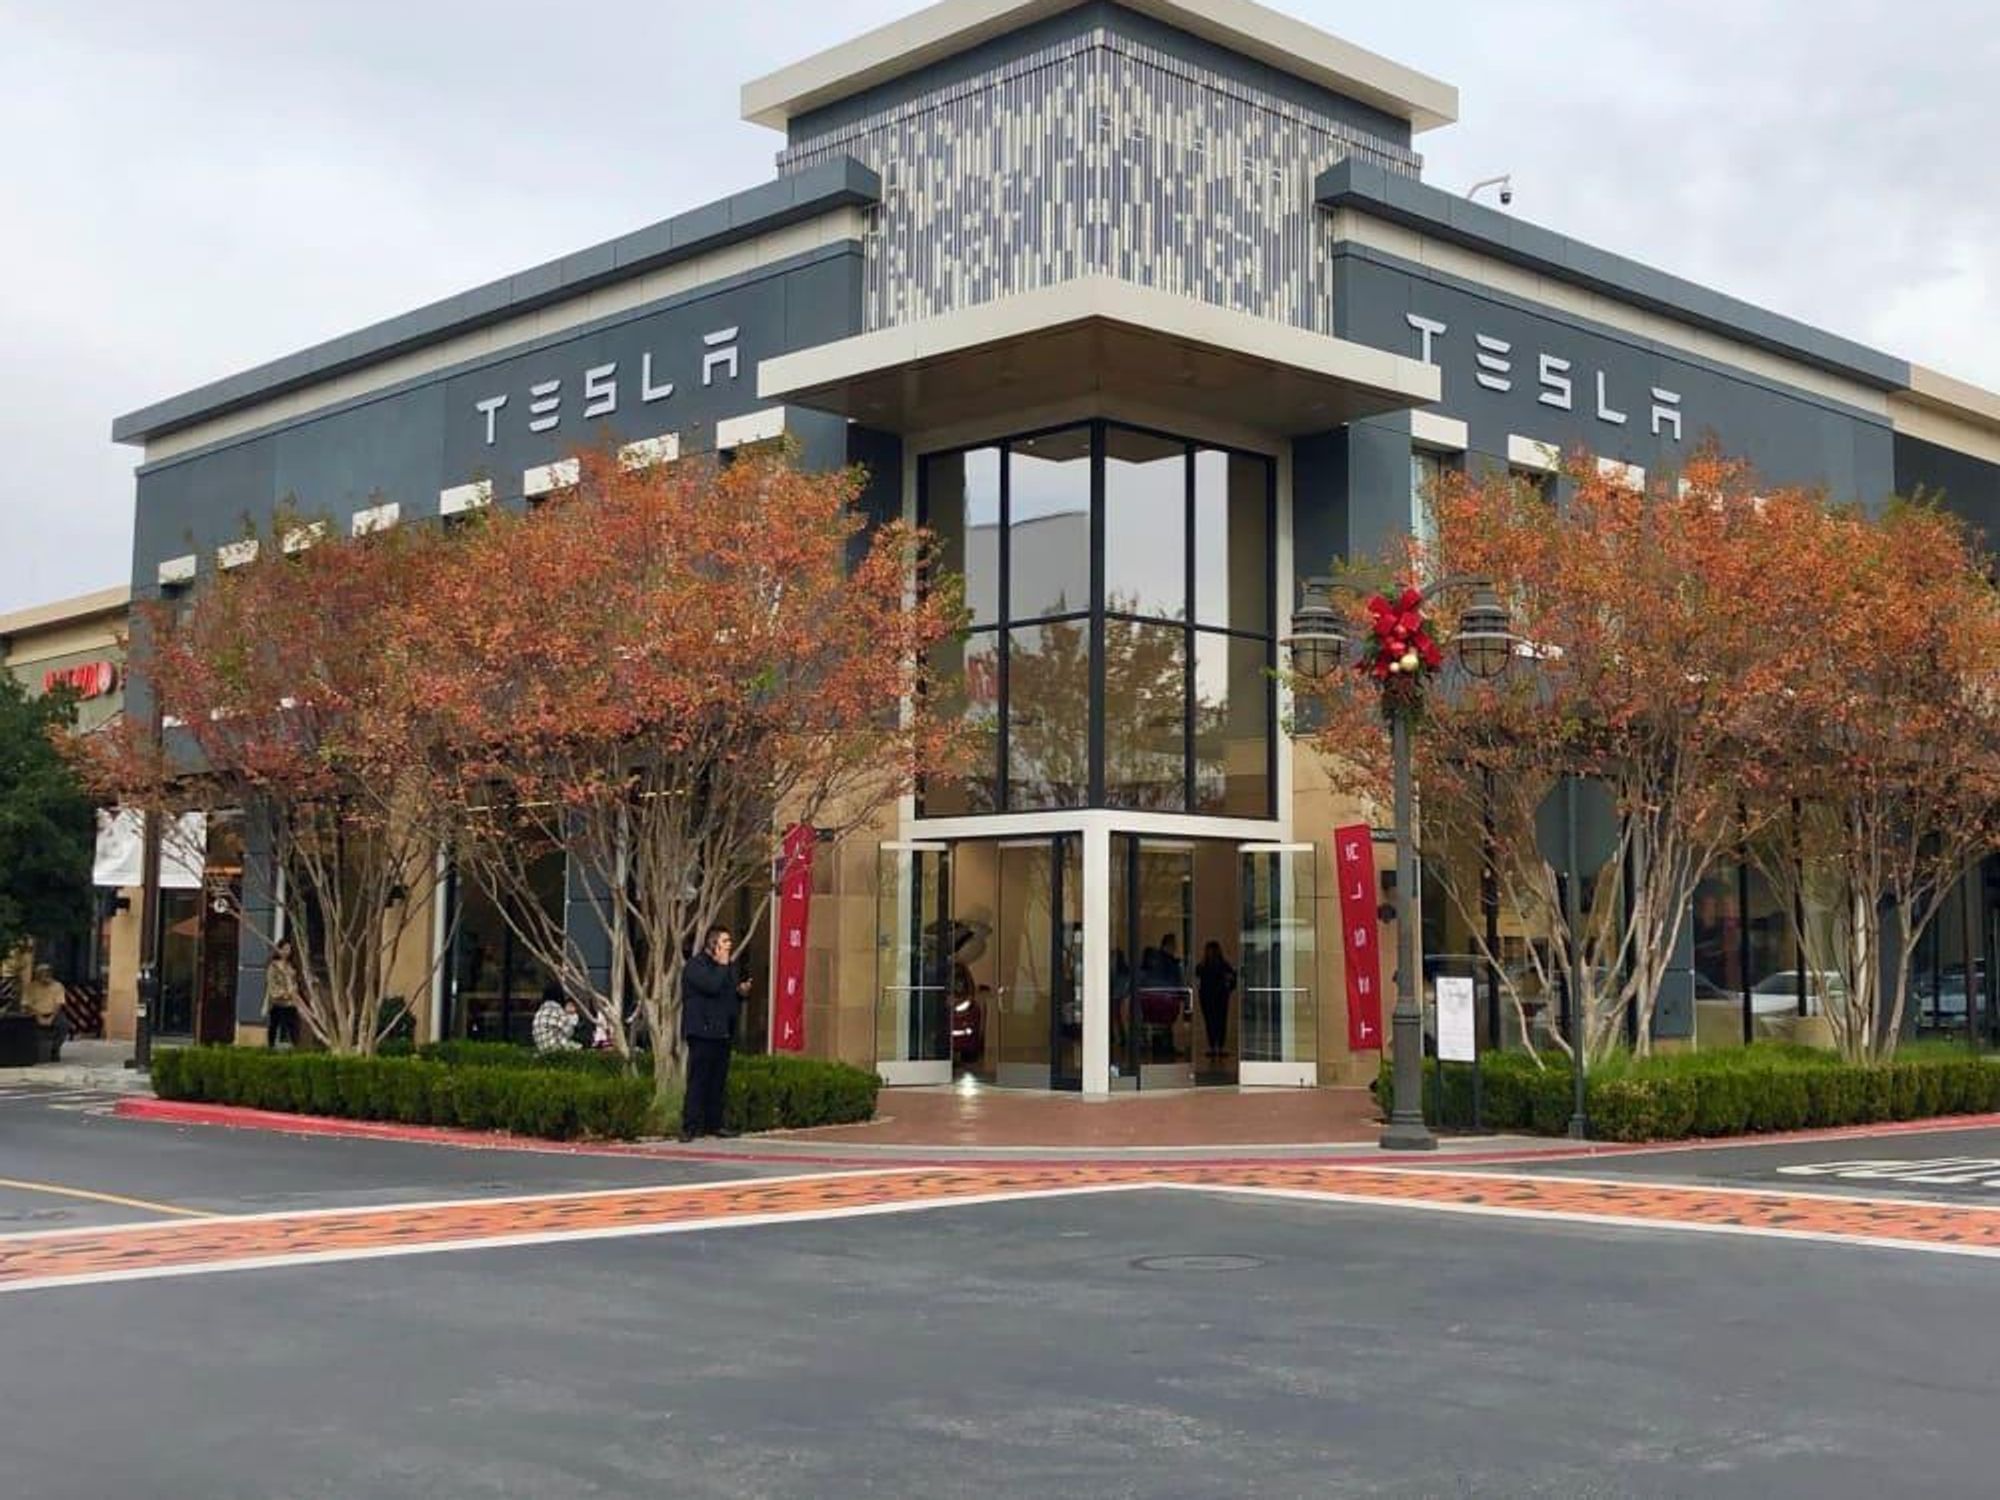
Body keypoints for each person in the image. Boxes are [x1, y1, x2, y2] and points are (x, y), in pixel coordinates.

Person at [679, 925, 753, 1142]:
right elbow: (710, 987)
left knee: (717, 1081)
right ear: (712, 945)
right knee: (698, 1079)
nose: (729, 945)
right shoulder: (696, 966)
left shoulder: (726, 968)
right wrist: (722, 966)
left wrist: (741, 993)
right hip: (702, 1031)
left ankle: (714, 1123)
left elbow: (726, 994)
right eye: (724, 941)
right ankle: (690, 1125)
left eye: (729, 941)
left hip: (721, 1031)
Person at [1195, 940, 1237, 1062]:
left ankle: (1214, 1046)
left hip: (1209, 997)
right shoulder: (1222, 966)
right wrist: (1228, 988)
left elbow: (1199, 982)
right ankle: (1218, 1046)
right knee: (1219, 1021)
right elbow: (1232, 979)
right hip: (1219, 996)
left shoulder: (1202, 966)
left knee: (1211, 1021)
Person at [263, 940, 302, 1050]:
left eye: (289, 949)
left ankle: (294, 1048)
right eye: (284, 949)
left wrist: (294, 992)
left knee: (293, 1027)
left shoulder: (291, 966)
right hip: (277, 1003)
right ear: (279, 950)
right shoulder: (273, 967)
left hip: (291, 1003)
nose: (287, 952)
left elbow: (295, 983)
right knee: (274, 1026)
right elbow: (272, 986)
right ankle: (271, 1048)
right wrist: (284, 994)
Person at [532, 982, 582, 1054]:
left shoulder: (539, 1012)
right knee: (579, 1047)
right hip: (557, 1049)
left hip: (542, 1048)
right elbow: (569, 1032)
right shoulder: (557, 1010)